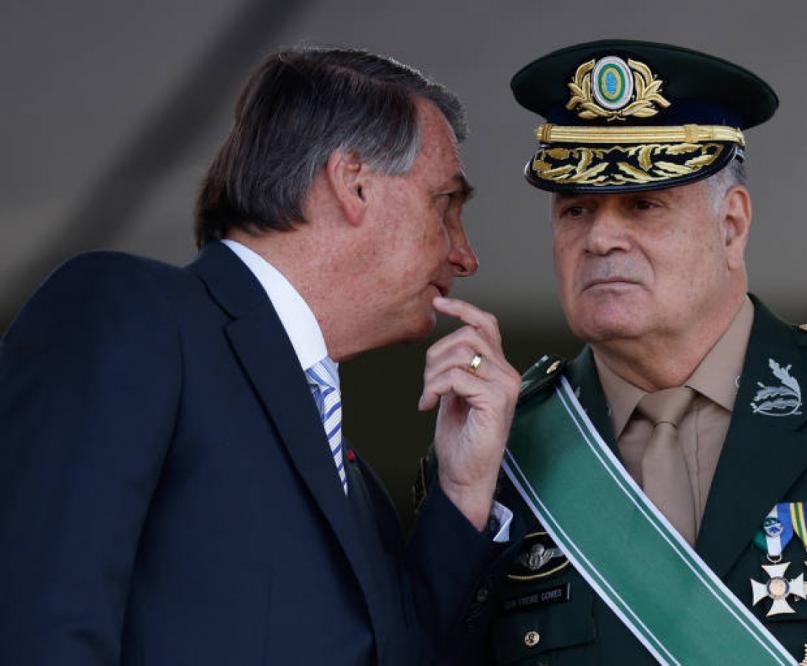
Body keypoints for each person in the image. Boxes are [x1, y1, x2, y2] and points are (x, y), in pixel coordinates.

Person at [437, 40, 807, 665]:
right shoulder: (500, 449)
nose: (600, 238)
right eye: (576, 210)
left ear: (731, 226)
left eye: (643, 205)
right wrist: (459, 503)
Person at [0, 47, 522, 665]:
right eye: (445, 206)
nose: (465, 255)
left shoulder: (355, 484)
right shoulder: (130, 312)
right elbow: (40, 623)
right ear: (353, 181)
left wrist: (462, 490)